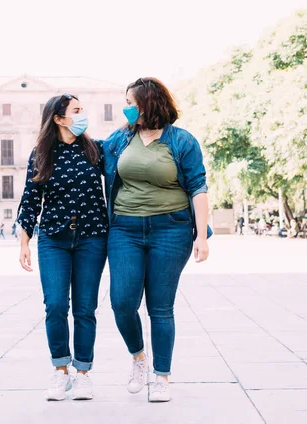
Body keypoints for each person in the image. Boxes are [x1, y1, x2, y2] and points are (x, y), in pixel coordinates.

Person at [103, 77, 212, 403]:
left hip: (171, 230)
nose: (126, 108)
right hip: (124, 230)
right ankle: (139, 359)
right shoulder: (120, 139)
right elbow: (91, 150)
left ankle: (162, 376)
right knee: (122, 303)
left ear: (149, 103)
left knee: (160, 308)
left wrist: (202, 237)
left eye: (131, 102)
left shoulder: (181, 141)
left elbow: (198, 187)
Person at [17, 93, 108, 401]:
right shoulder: (41, 153)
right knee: (55, 305)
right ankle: (60, 372)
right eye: (77, 111)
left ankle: (83, 374)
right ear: (58, 118)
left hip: (92, 238)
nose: (83, 115)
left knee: (85, 308)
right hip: (53, 239)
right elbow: (30, 199)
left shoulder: (96, 151)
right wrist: (24, 243)